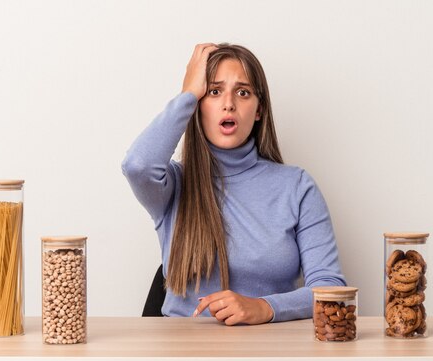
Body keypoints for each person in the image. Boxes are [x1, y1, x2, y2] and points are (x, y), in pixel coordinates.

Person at [122, 43, 345, 325]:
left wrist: (265, 307)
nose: (229, 103)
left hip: (270, 351)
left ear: (259, 110)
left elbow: (330, 290)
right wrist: (188, 93)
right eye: (214, 92)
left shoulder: (297, 186)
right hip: (182, 352)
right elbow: (137, 165)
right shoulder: (173, 185)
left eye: (243, 92)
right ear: (198, 107)